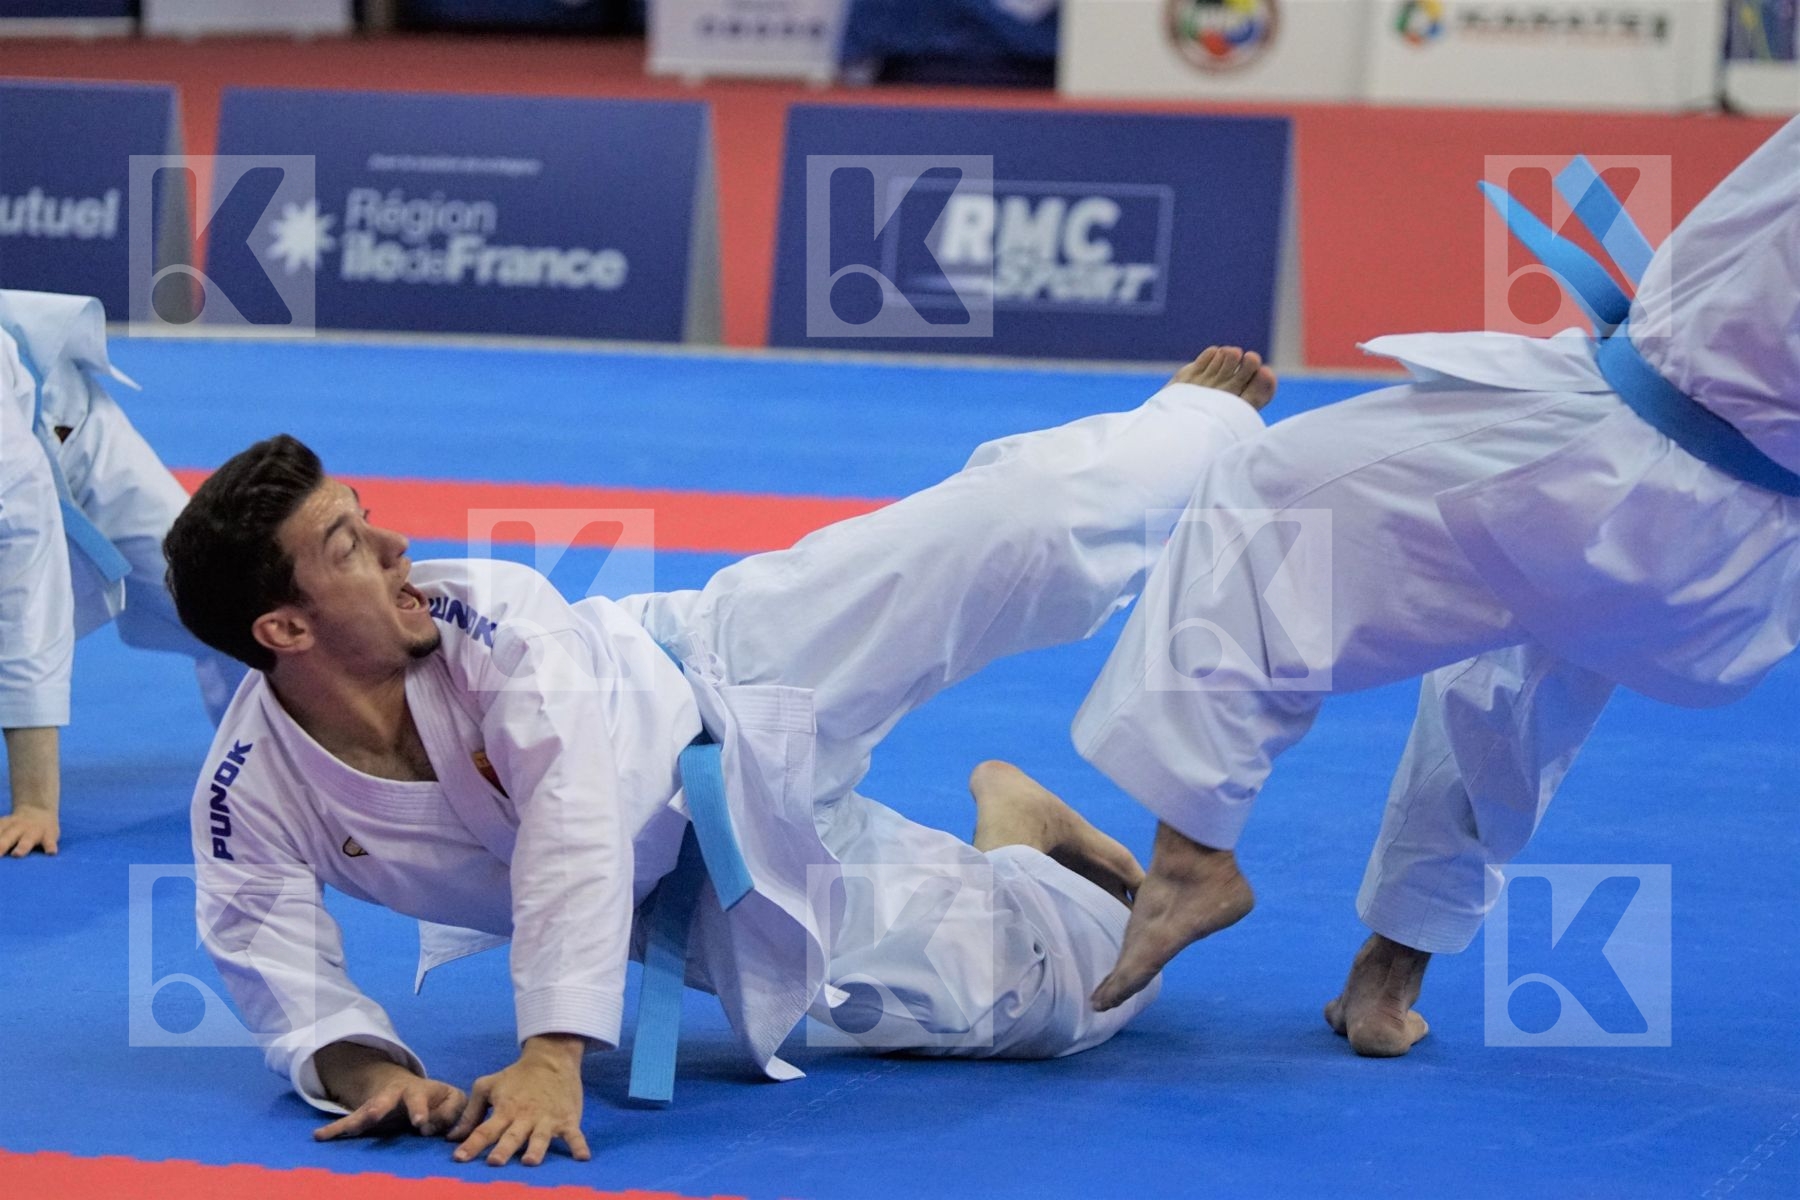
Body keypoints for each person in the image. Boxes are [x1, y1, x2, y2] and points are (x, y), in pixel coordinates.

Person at [166, 347, 1277, 1167]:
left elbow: (574, 817)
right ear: (286, 631)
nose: (402, 547)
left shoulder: (484, 613)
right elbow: (273, 966)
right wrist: (377, 1074)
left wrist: (554, 1051)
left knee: (1012, 530)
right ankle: (1021, 832)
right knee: (1067, 1001)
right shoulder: (248, 792)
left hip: (724, 672)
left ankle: (1195, 426)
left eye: (367, 516)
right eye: (353, 547)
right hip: (707, 892)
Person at [1076, 115, 1800, 1055]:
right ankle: (1390, 973)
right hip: (1736, 553)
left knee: (1267, 493)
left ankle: (1190, 857)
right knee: (1519, 678)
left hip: (1618, 456)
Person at [0, 291, 245, 858]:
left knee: (218, 599)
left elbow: (26, 584)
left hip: (72, 441)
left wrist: (35, 803)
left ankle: (294, 752)